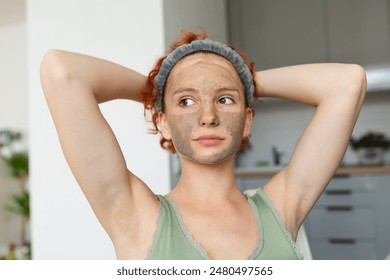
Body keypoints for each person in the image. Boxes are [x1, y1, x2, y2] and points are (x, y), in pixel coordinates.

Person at [40, 30, 366, 260]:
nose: (208, 116)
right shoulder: (135, 216)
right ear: (163, 122)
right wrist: (163, 85)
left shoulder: (282, 208)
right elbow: (62, 71)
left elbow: (347, 83)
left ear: (247, 120)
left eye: (225, 99)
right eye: (186, 102)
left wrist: (243, 80)